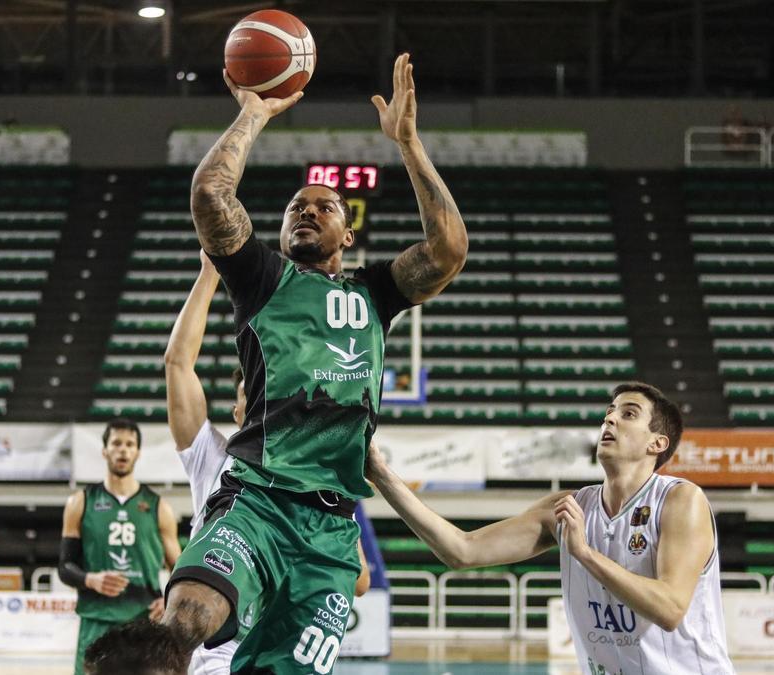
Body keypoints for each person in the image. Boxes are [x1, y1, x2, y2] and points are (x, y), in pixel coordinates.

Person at [152, 52, 467, 674]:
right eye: (297, 205)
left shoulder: (373, 293)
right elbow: (211, 196)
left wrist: (407, 143)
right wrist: (252, 113)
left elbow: (449, 248)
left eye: (324, 207)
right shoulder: (264, 277)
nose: (307, 210)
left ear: (347, 235)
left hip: (329, 533)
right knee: (189, 612)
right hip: (257, 496)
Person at [86, 255, 371, 675]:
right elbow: (177, 364)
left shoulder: (319, 485)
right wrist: (209, 273)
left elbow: (358, 581)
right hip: (215, 651)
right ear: (241, 409)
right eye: (253, 394)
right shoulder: (212, 455)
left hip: (274, 643)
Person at [367, 382, 734, 675]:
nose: (610, 420)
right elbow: (462, 551)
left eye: (628, 414)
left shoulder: (681, 501)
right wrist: (382, 476)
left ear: (657, 443)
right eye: (609, 413)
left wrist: (585, 554)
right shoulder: (570, 508)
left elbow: (670, 609)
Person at [58, 418, 183, 675]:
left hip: (142, 622)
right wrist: (91, 579)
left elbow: (180, 569)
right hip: (97, 619)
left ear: (138, 452)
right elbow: (65, 567)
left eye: (129, 444)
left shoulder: (159, 507)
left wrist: (169, 601)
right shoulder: (80, 502)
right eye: (116, 443)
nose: (123, 450)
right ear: (105, 451)